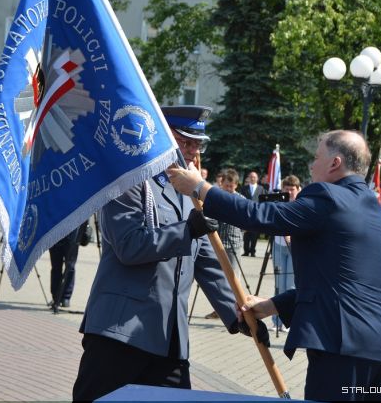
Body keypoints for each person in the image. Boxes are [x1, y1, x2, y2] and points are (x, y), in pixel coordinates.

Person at [168, 129, 381, 402]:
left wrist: (200, 188)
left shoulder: (328, 197)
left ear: (335, 163)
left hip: (342, 352)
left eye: (316, 157)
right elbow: (343, 284)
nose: (312, 166)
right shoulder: (375, 211)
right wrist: (273, 305)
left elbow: (261, 216)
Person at [72, 106, 264, 401]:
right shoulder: (129, 181)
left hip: (168, 339)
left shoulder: (188, 192)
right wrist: (186, 231)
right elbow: (128, 246)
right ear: (162, 137)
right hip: (120, 333)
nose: (193, 150)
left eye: (198, 144)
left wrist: (239, 315)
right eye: (186, 141)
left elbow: (207, 263)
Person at [204, 168, 244, 320]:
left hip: (234, 243)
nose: (228, 189)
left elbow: (247, 222)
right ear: (222, 183)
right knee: (218, 277)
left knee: (234, 278)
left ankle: (237, 310)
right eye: (226, 185)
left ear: (236, 185)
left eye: (231, 186)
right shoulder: (218, 197)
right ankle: (219, 309)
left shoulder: (241, 199)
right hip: (218, 242)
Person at [271, 175, 301, 332]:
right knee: (279, 285)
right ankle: (276, 321)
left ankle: (289, 320)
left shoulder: (301, 204)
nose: (289, 192)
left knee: (290, 285)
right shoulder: (279, 203)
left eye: (292, 189)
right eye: (286, 189)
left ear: (298, 190)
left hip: (294, 247)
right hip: (278, 245)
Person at [49, 221, 87, 309]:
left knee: (69, 266)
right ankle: (56, 297)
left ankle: (65, 297)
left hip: (73, 231)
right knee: (56, 266)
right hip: (56, 229)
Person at [240, 171, 265, 257]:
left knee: (255, 233)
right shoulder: (244, 188)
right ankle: (246, 251)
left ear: (257, 178)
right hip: (246, 213)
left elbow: (263, 201)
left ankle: (253, 251)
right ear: (248, 178)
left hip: (256, 214)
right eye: (251, 177)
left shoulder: (261, 189)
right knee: (246, 234)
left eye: (254, 177)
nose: (252, 178)